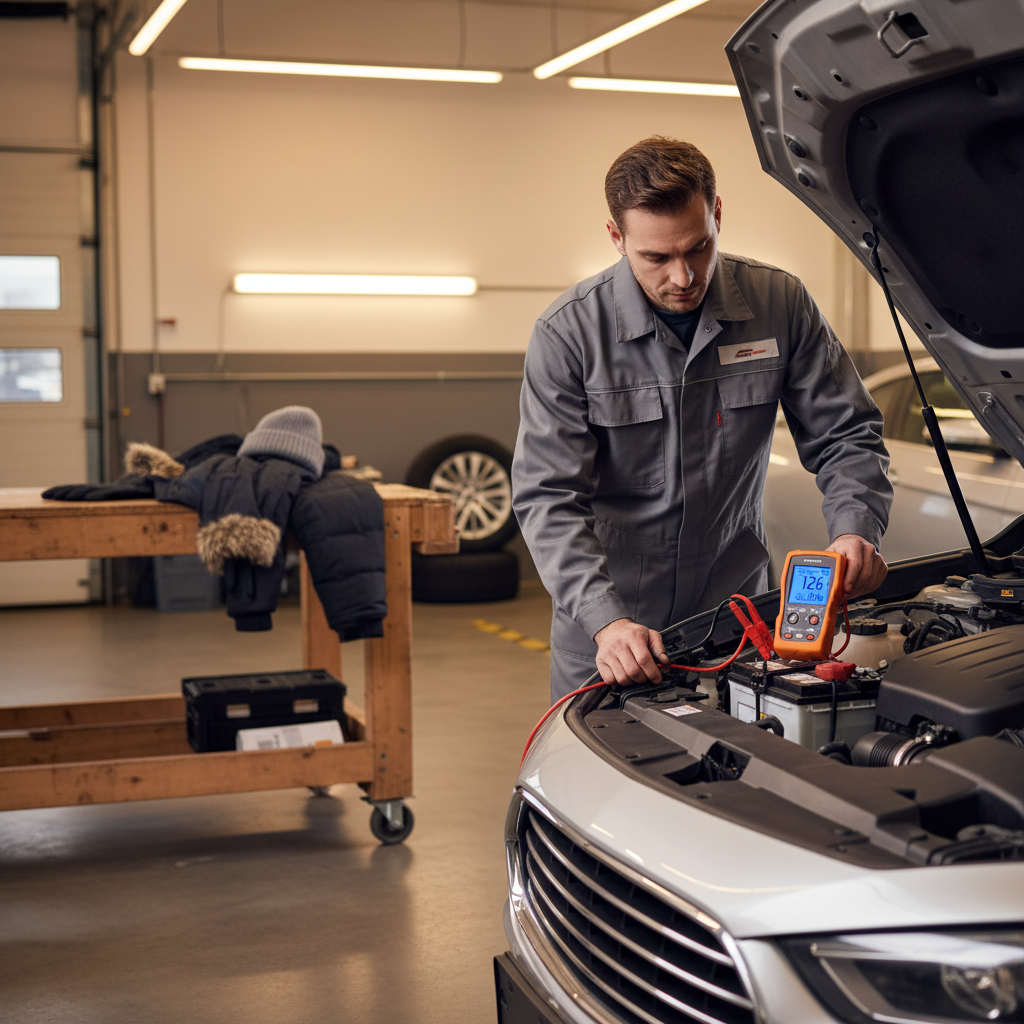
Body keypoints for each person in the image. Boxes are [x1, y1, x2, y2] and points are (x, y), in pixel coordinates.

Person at [512, 136, 892, 702]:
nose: (684, 277)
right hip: (613, 632)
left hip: (736, 619)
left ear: (717, 214)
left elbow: (847, 434)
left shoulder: (780, 304)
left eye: (698, 248)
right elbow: (547, 496)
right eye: (657, 258)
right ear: (616, 238)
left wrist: (854, 529)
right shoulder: (569, 334)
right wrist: (604, 619)